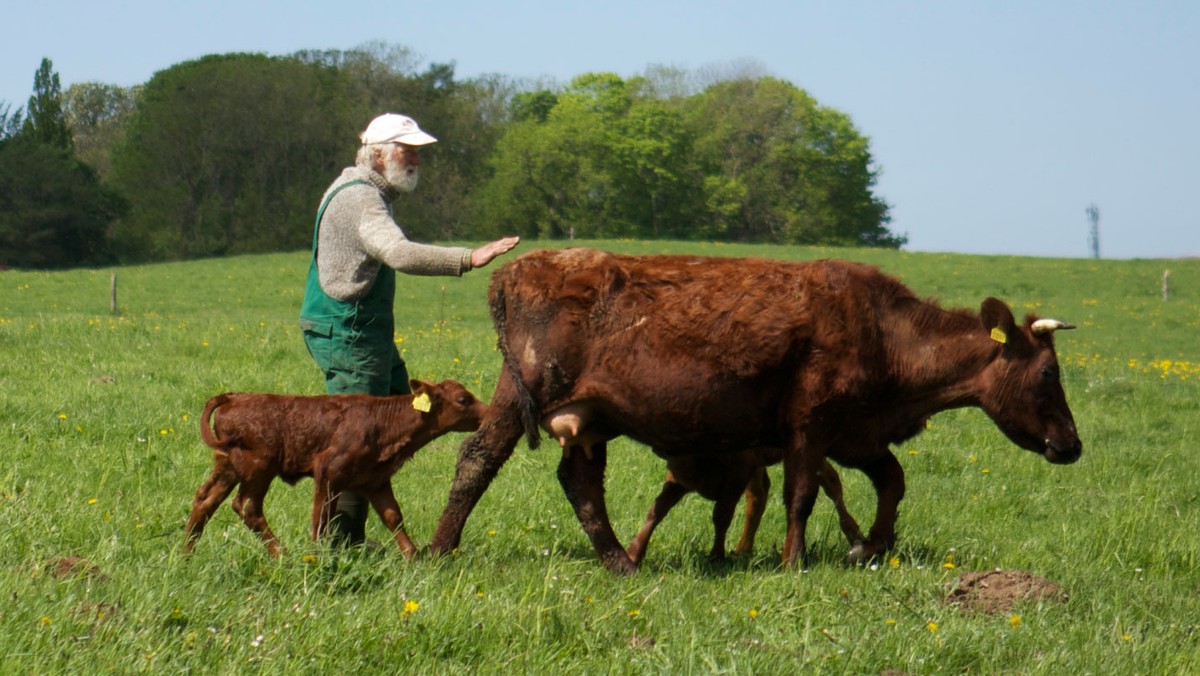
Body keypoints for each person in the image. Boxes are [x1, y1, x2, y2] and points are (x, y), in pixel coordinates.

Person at [299, 112, 520, 546]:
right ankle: (339, 549)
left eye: (419, 152)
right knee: (358, 441)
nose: (416, 159)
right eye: (408, 150)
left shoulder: (354, 186)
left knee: (403, 414)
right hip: (349, 330)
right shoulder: (362, 198)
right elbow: (397, 253)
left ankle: (363, 533)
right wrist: (466, 258)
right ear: (377, 154)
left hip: (362, 330)